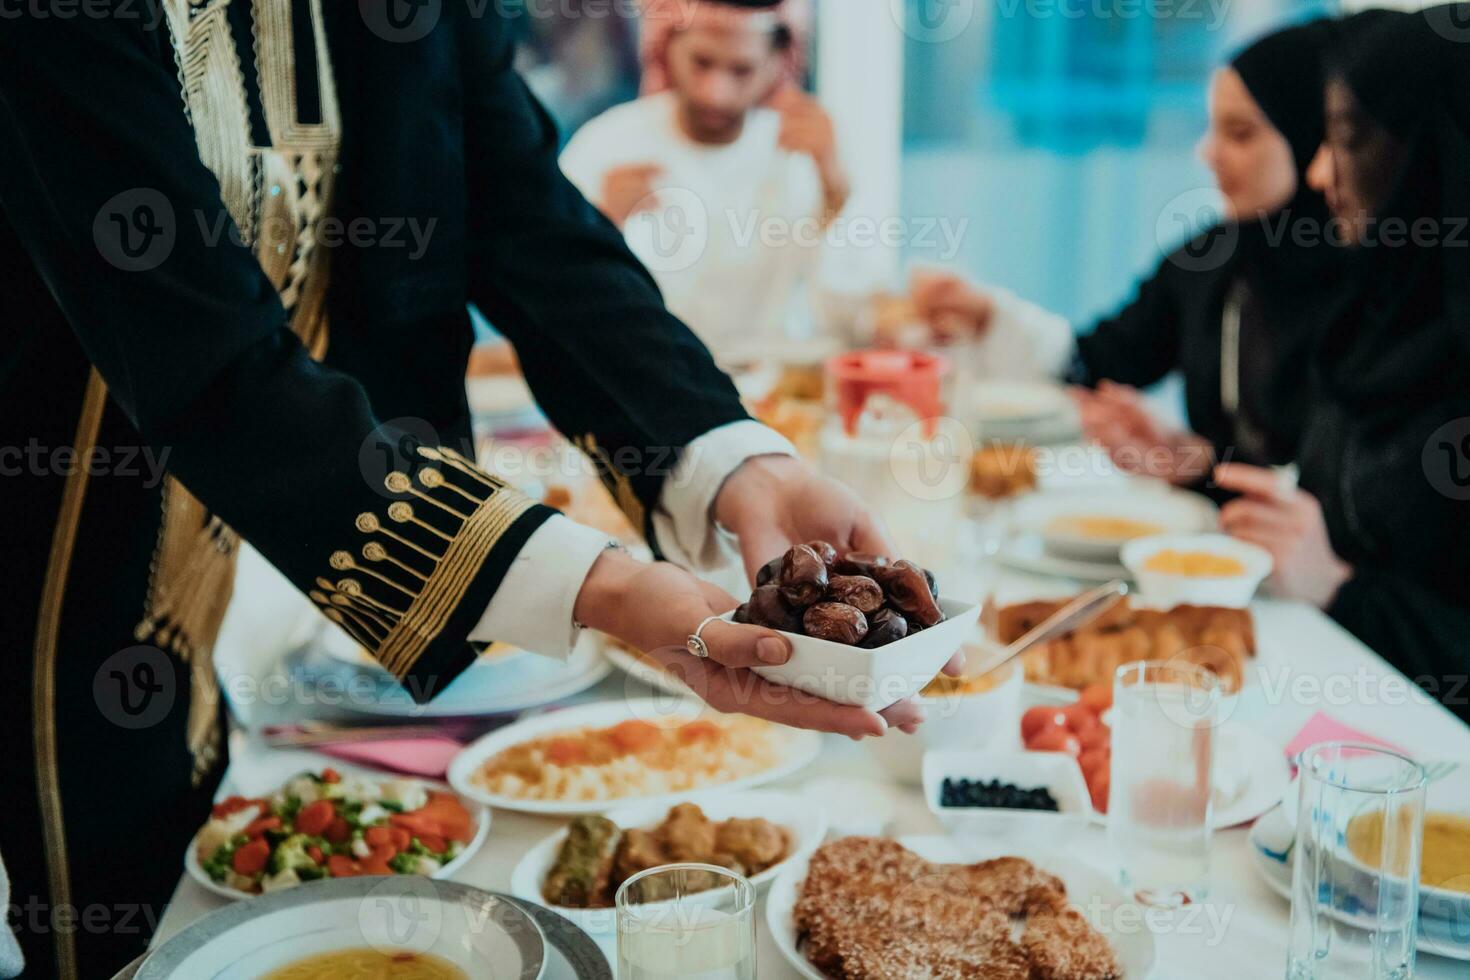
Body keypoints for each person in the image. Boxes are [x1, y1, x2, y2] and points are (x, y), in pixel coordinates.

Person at [0, 4, 938, 975]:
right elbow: (206, 355)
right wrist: (603, 587)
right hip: (46, 583)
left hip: (205, 594)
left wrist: (737, 460)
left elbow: (525, 212)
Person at [909, 19, 1347, 488]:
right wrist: (988, 316)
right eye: (1212, 130)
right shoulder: (1211, 256)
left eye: (1240, 134)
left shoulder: (1370, 285)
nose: (1209, 153)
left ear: (1316, 139)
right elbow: (1099, 364)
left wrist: (1200, 464)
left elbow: (1350, 492)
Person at [1216, 4, 1470, 714]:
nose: (1321, 170)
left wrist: (1343, 589)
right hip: (1325, 712)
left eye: (1352, 139)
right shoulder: (1377, 315)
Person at [558, 0, 853, 364]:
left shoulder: (800, 149)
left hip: (768, 394)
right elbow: (551, 301)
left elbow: (848, 308)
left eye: (741, 70)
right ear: (665, 48)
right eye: (702, 63)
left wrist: (835, 188)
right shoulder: (604, 146)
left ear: (776, 64)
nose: (717, 93)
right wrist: (601, 224)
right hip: (639, 384)